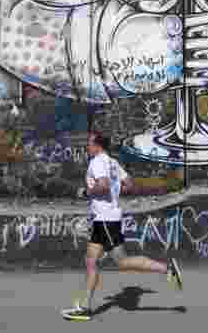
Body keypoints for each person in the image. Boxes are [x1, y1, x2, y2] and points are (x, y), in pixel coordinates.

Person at [62, 130, 184, 321]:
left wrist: (86, 192)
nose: (87, 146)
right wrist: (115, 193)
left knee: (118, 262)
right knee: (93, 261)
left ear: (97, 145)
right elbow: (129, 184)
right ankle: (84, 307)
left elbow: (102, 185)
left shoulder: (98, 162)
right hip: (107, 218)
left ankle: (167, 269)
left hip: (105, 219)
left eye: (89, 143)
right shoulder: (112, 162)